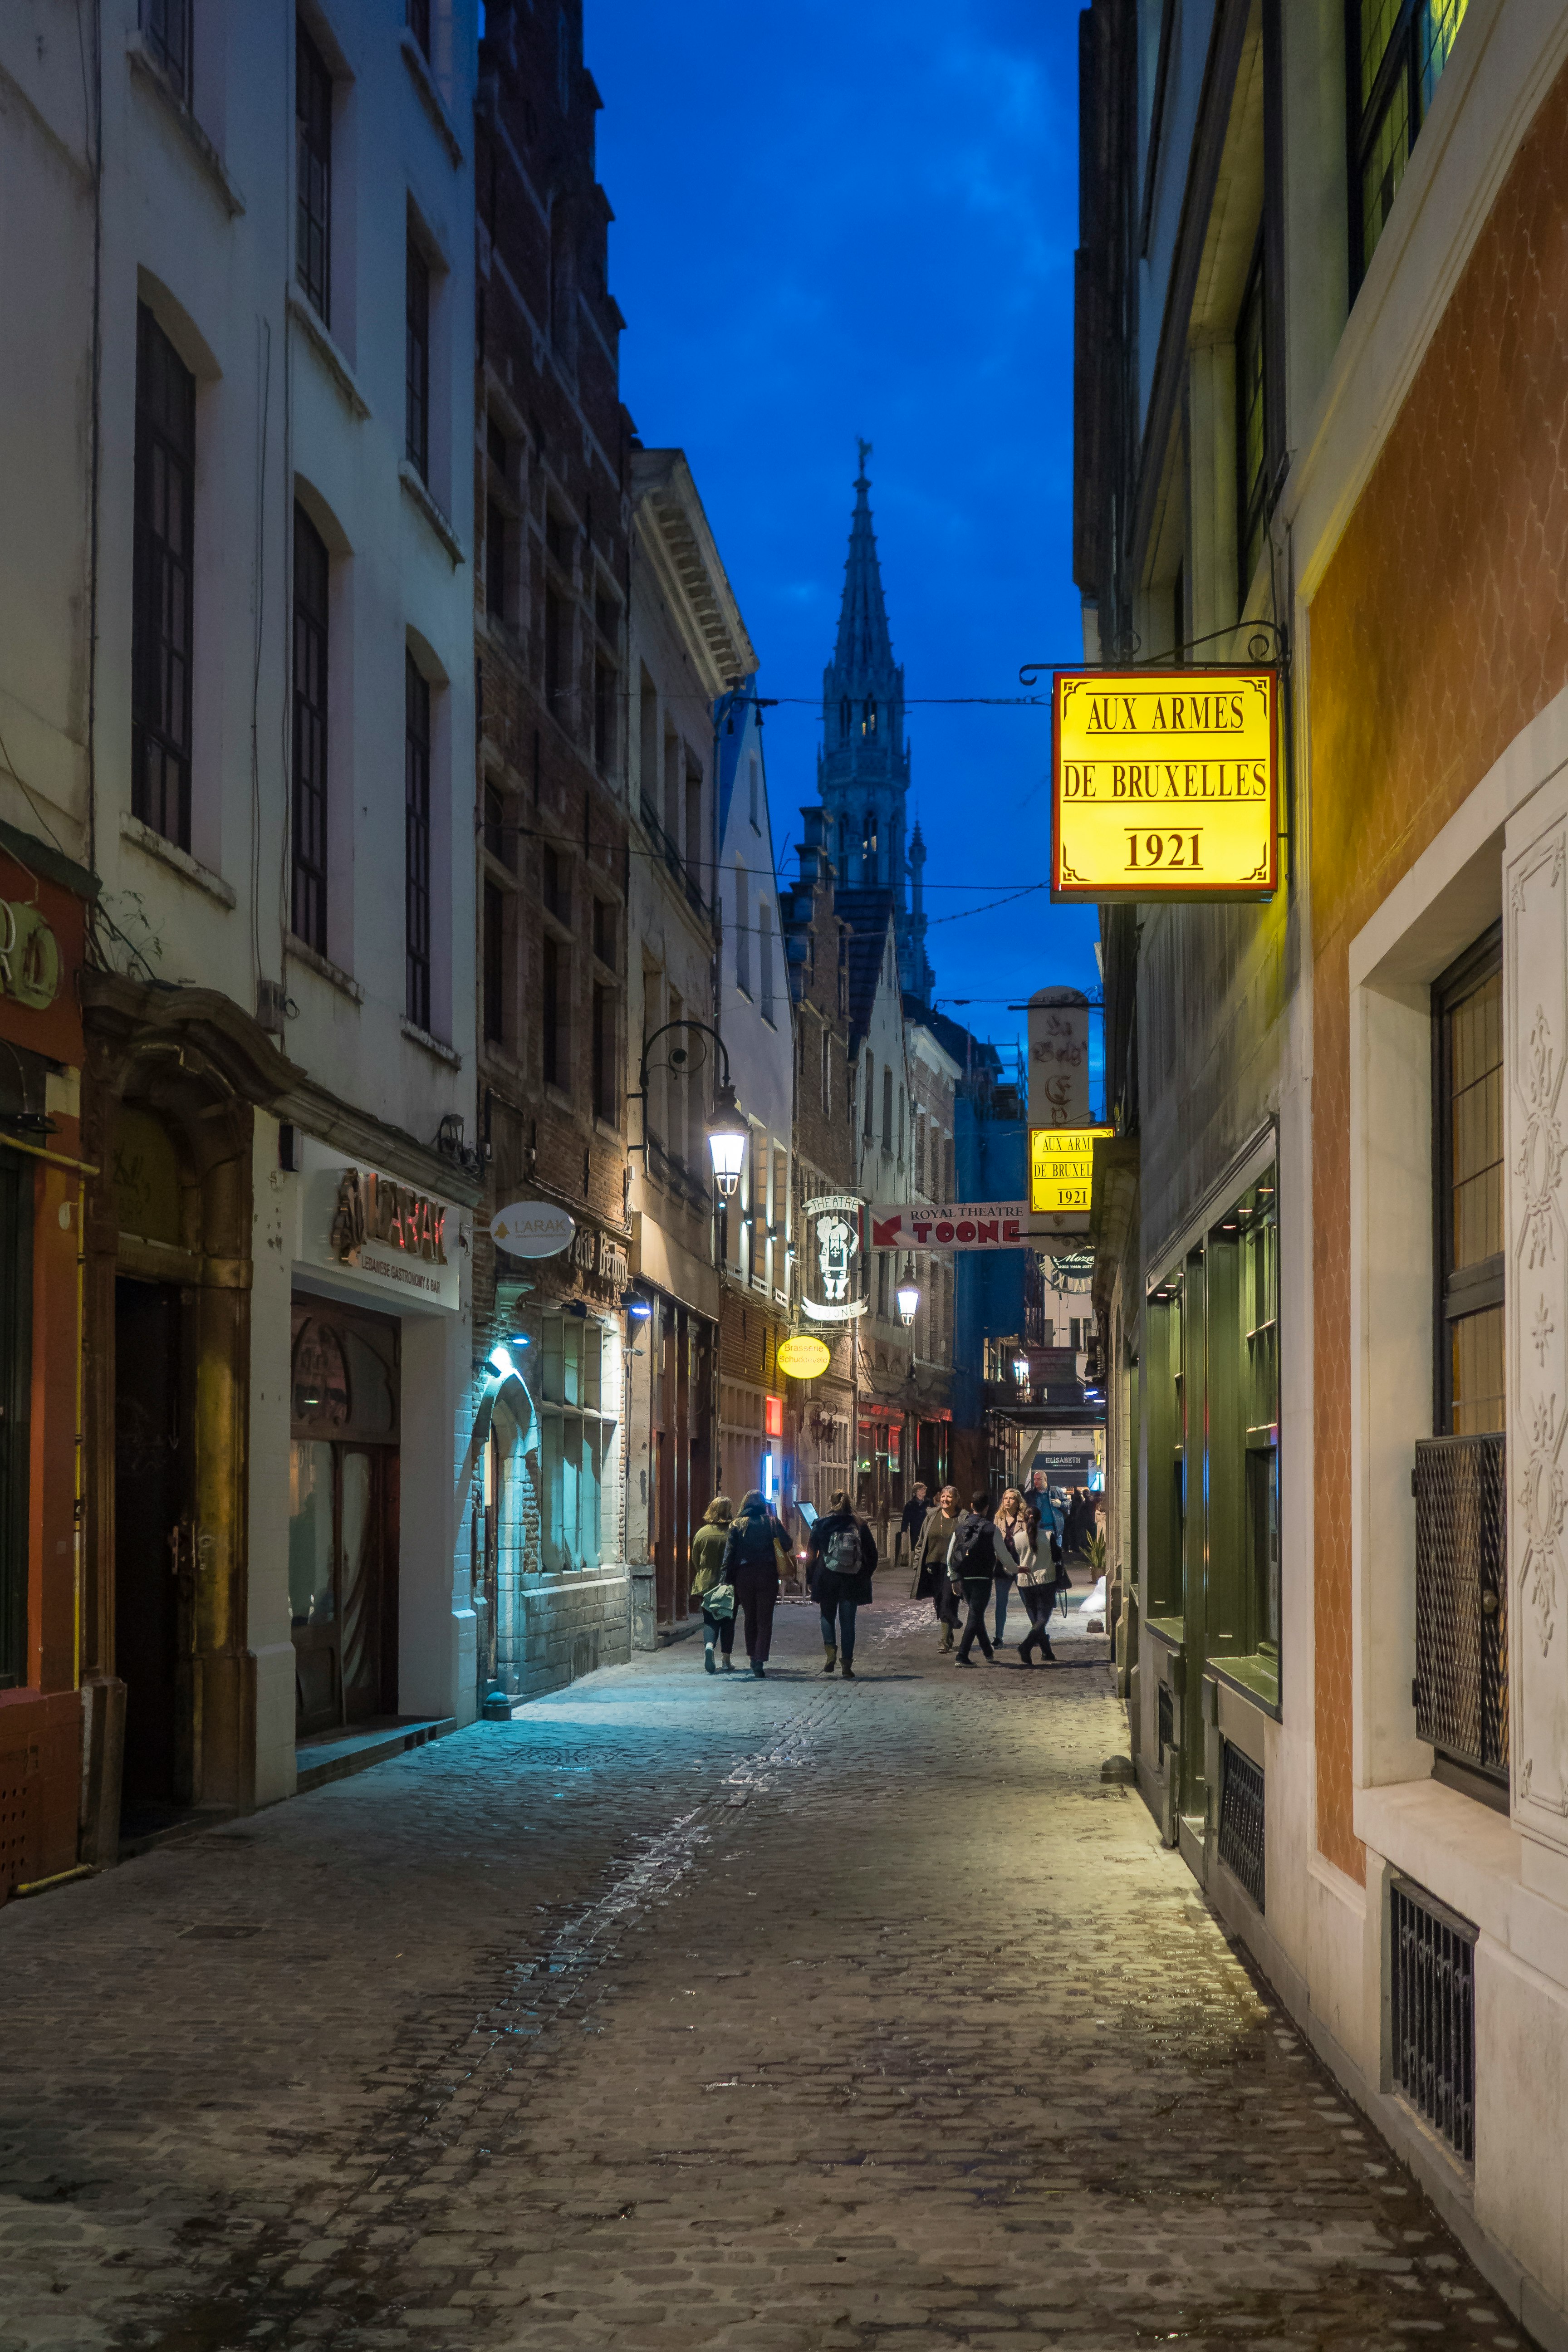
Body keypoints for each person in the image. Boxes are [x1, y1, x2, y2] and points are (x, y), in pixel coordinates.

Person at [806, 1488, 876, 1678]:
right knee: (848, 1622)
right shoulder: (860, 1524)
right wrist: (864, 1574)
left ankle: (830, 1654)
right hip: (852, 1580)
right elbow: (873, 1555)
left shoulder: (821, 1524)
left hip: (827, 1577)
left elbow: (811, 1555)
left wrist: (810, 1578)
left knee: (827, 1616)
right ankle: (847, 1664)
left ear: (831, 1502)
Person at [722, 1489, 789, 1678]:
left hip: (744, 1576)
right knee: (765, 1619)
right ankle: (759, 1658)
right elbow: (788, 1544)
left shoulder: (737, 1525)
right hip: (767, 1574)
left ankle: (753, 1655)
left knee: (750, 1617)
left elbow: (729, 1555)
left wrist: (725, 1580)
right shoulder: (772, 1522)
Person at [950, 1489, 1004, 1665]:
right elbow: (1002, 1554)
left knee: (976, 1614)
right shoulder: (992, 1529)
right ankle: (962, 1655)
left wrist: (953, 1577)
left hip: (965, 1577)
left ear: (971, 1506)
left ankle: (988, 1651)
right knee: (975, 1615)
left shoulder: (959, 1529)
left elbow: (950, 1554)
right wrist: (1016, 1569)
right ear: (987, 1508)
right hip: (984, 1578)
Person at [911, 1482, 964, 1648]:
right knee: (940, 1599)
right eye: (943, 1496)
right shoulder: (932, 1517)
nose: (946, 1499)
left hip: (953, 1566)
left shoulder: (962, 1518)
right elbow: (922, 1541)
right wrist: (917, 1561)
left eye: (950, 1497)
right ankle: (948, 1633)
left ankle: (944, 1640)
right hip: (933, 1565)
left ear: (956, 1500)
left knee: (949, 1599)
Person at [1012, 1493, 1060, 1665]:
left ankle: (1047, 1652)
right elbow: (1057, 1558)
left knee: (1035, 1619)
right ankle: (1026, 1646)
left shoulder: (1017, 1539)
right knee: (1043, 1618)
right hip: (1047, 1581)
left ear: (1024, 1520)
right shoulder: (1048, 1537)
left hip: (1025, 1583)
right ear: (1040, 1520)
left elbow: (1012, 1561)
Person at [691, 1495, 736, 1675]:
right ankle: (726, 1661)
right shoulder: (733, 1532)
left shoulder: (703, 1533)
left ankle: (709, 1646)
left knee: (709, 1619)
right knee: (728, 1621)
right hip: (728, 1583)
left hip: (706, 1581)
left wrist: (703, 1573)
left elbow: (695, 1559)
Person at [994, 1486, 1030, 1645]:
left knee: (1027, 1600)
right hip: (1002, 1564)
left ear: (1018, 1501)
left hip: (1020, 1564)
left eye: (1012, 1498)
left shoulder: (1024, 1518)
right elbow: (994, 1541)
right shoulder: (998, 1518)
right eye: (1006, 1498)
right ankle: (998, 1637)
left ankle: (1038, 1634)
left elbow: (1030, 1541)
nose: (1008, 1501)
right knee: (1001, 1602)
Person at [897, 1480, 931, 1565]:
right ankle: (917, 1564)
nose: (924, 1491)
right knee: (916, 1547)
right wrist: (904, 1530)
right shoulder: (910, 1505)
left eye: (925, 1489)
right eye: (923, 1490)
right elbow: (905, 1519)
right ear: (917, 1491)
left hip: (927, 1528)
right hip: (915, 1529)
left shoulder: (929, 1503)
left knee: (927, 1546)